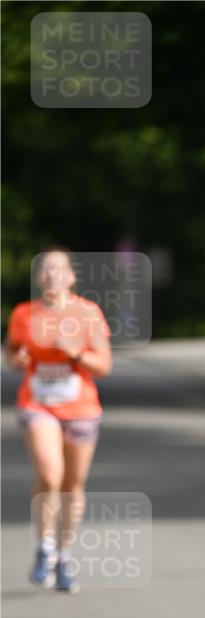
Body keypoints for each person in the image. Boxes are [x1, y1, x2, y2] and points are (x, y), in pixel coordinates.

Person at [4, 248, 113, 593]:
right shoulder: (24, 313)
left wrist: (75, 352)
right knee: (50, 475)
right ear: (39, 278)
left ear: (71, 276)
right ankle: (45, 546)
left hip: (80, 408)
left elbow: (104, 366)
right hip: (38, 403)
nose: (52, 275)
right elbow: (12, 353)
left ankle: (65, 557)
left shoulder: (87, 312)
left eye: (58, 269)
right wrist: (17, 359)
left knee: (72, 484)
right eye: (45, 270)